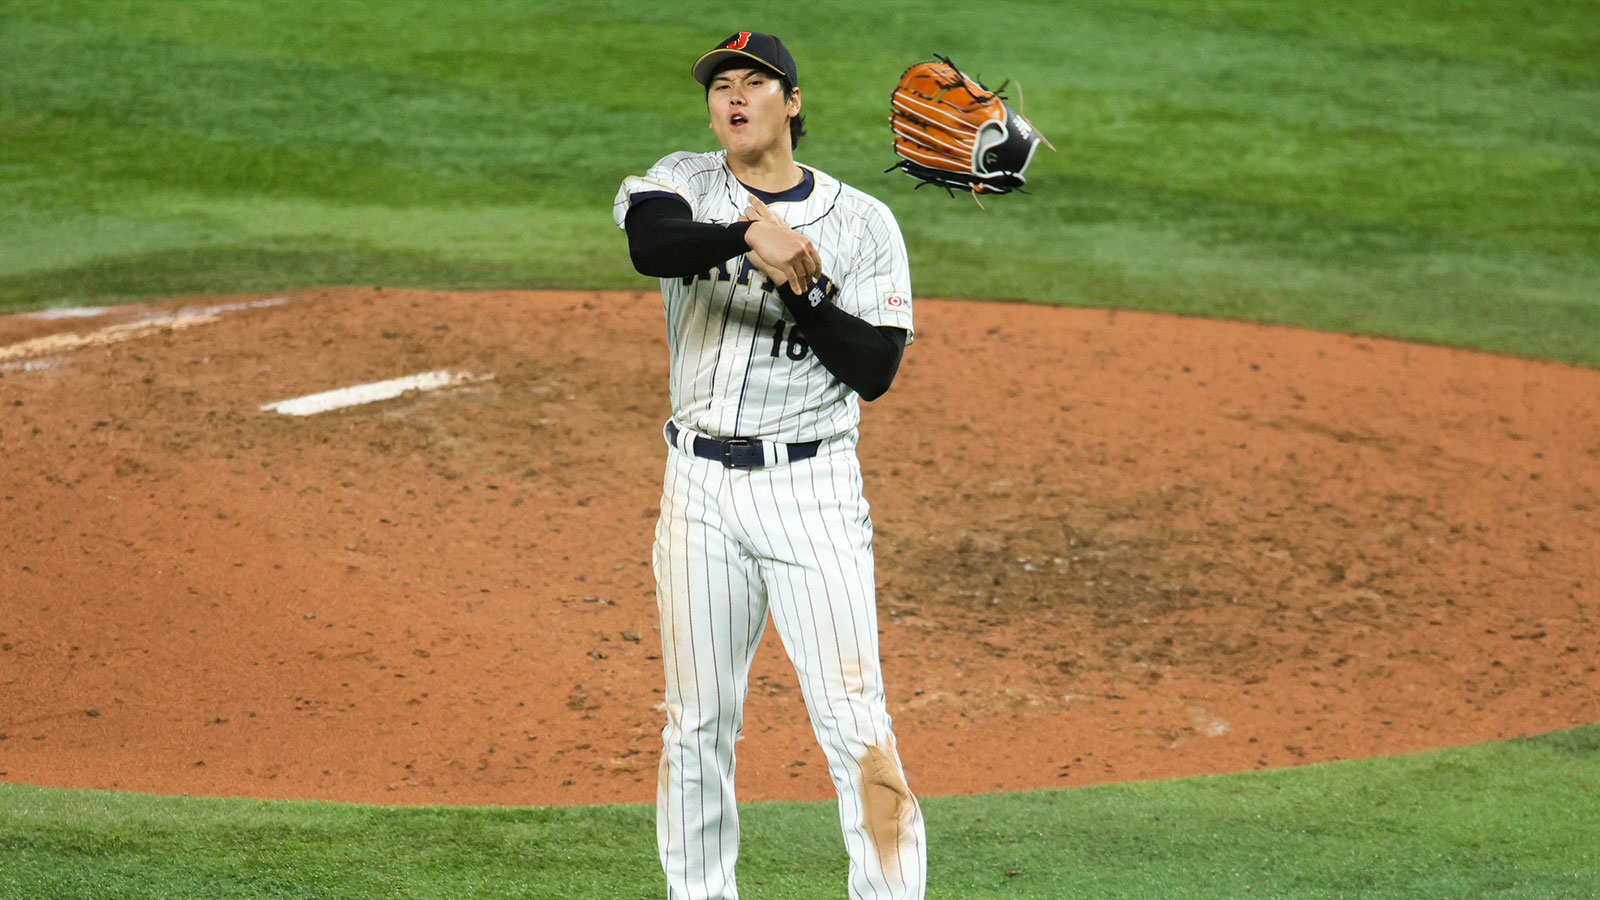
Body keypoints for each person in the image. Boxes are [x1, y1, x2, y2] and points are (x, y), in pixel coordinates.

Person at [611, 30, 927, 900]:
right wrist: (753, 238)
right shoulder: (677, 181)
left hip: (811, 493)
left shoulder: (865, 222)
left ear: (792, 103)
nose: (733, 98)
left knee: (854, 722)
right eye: (721, 87)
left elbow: (875, 370)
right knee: (696, 725)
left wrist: (805, 287)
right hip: (700, 493)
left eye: (755, 83)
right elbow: (654, 247)